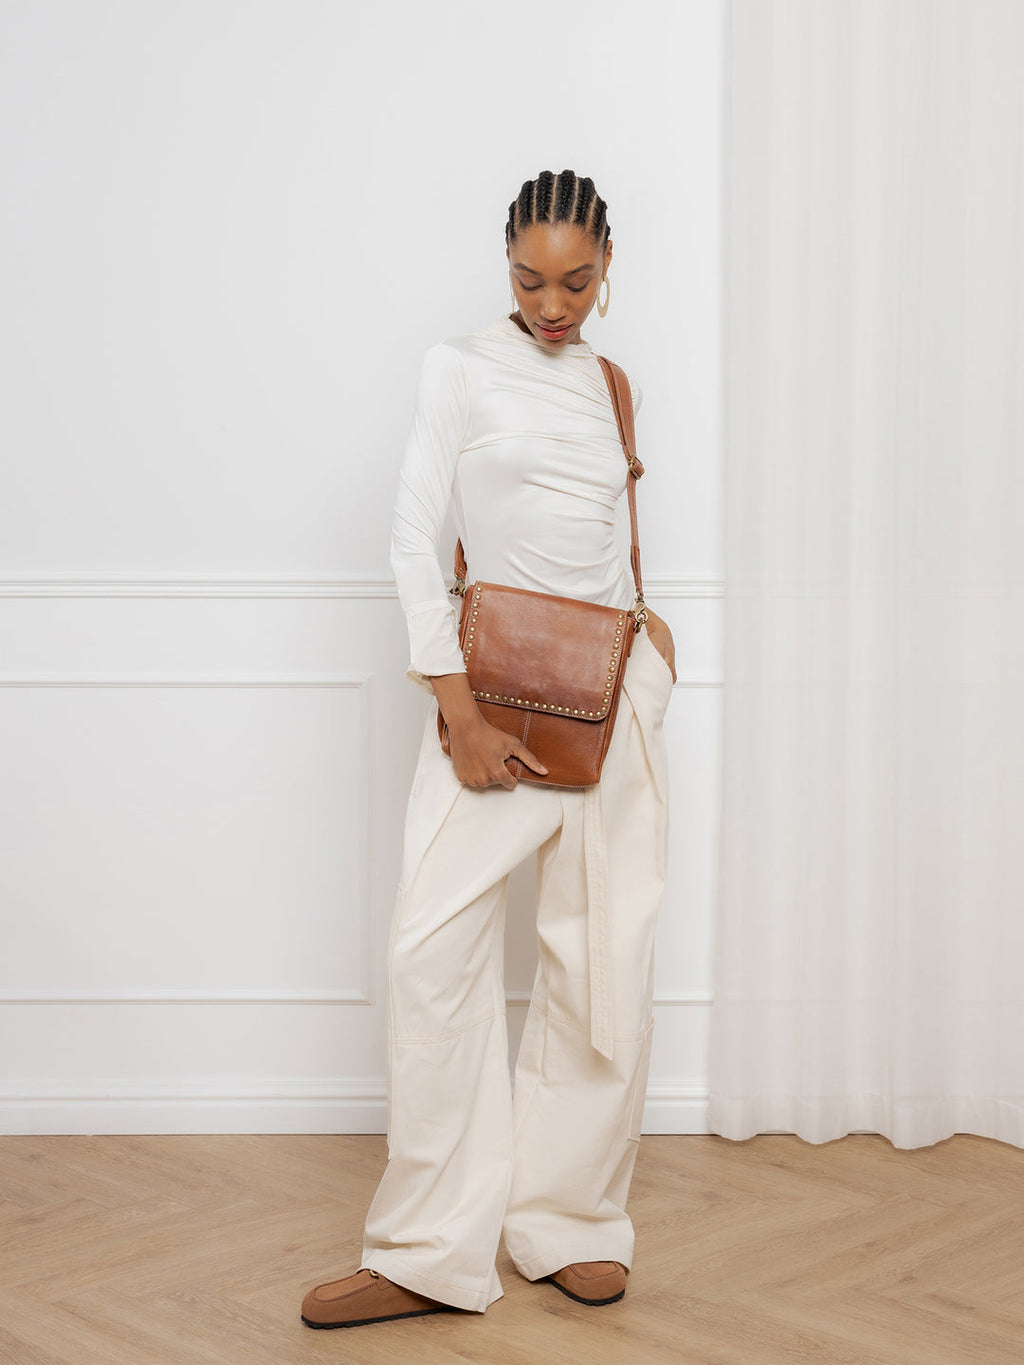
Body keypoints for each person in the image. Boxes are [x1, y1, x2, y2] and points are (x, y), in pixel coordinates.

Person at [300, 168, 676, 1330]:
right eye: (528, 279)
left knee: (600, 957)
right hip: (496, 700)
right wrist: (457, 709)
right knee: (431, 953)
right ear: (503, 265)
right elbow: (416, 537)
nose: (551, 304)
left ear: (606, 269)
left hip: (613, 696)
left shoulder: (612, 385)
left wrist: (652, 629)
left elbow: (601, 531)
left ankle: (569, 1223)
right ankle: (426, 1250)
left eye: (576, 281)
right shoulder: (457, 367)